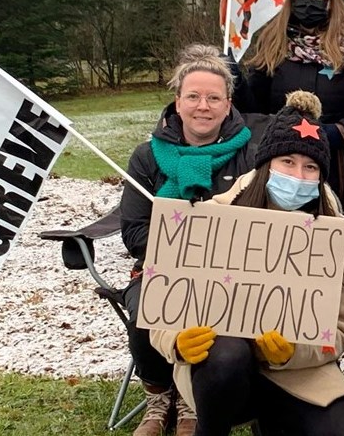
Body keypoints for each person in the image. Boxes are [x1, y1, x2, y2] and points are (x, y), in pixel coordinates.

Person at [148, 91, 344, 436]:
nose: (298, 175)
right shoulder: (215, 215)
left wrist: (293, 351)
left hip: (300, 375)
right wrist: (176, 340)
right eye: (287, 162)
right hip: (221, 368)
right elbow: (166, 307)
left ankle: (274, 424)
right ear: (266, 165)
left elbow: (338, 331)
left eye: (311, 167)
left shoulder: (330, 232)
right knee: (227, 355)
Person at [118, 44, 256, 436]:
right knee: (149, 304)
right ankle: (160, 397)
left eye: (214, 98)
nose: (203, 106)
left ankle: (194, 399)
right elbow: (134, 232)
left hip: (231, 272)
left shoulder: (250, 153)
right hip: (159, 266)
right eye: (193, 96)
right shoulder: (146, 157)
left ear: (228, 105)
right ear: (177, 103)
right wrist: (190, 243)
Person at [233, 0, 344, 204]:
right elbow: (253, 109)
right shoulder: (273, 42)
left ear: (332, 0)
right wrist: (236, 82)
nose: (309, 1)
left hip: (333, 160)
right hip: (279, 161)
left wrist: (340, 131)